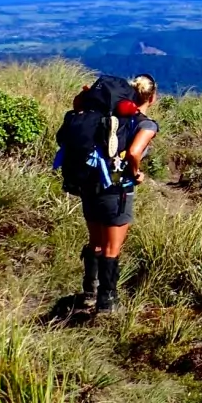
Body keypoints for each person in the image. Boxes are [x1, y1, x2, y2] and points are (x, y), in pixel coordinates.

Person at [79, 74, 159, 313]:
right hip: (117, 190)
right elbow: (135, 152)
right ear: (151, 98)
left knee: (96, 242)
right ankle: (108, 302)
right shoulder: (145, 124)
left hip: (90, 184)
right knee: (112, 249)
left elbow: (77, 105)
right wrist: (136, 173)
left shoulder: (107, 116)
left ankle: (89, 293)